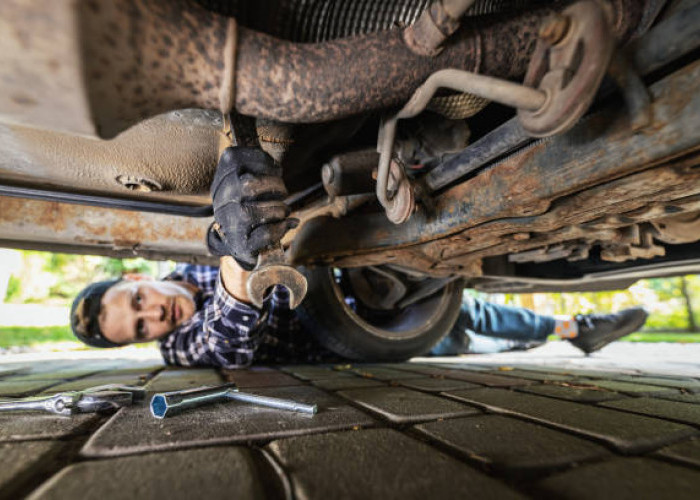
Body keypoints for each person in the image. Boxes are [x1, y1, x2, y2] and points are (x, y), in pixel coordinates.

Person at [70, 148, 648, 368]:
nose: (155, 317)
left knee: (469, 313)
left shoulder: (184, 270)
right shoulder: (180, 350)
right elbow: (230, 347)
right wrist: (238, 263)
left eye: (138, 302)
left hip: (361, 276)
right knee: (465, 337)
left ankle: (577, 327)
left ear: (134, 277)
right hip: (354, 336)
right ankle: (571, 330)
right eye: (140, 329)